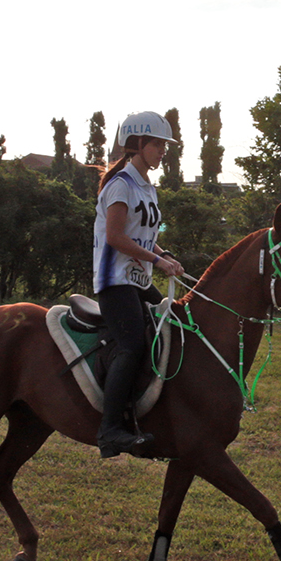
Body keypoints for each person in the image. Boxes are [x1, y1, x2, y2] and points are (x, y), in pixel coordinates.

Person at [91, 111, 184, 458]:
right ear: (138, 144)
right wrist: (158, 262)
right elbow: (116, 237)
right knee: (131, 346)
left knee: (175, 325)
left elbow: (144, 236)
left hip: (138, 280)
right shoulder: (121, 185)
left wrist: (164, 254)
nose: (163, 151)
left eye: (164, 145)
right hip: (115, 281)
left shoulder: (147, 188)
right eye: (158, 144)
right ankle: (110, 430)